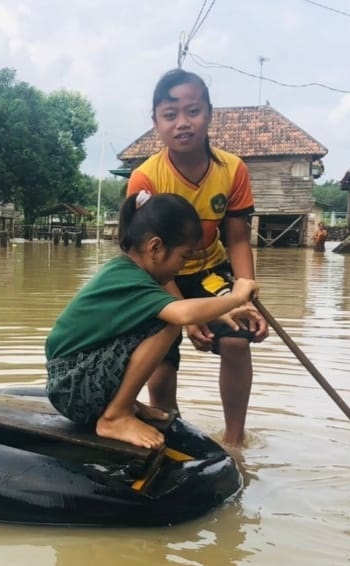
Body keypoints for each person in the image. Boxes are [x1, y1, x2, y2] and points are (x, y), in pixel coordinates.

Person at [45, 191, 258, 450]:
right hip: (73, 387)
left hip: (75, 378)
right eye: (183, 257)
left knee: (161, 318)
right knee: (166, 323)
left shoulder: (127, 271)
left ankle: (126, 405)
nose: (182, 268)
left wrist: (220, 311)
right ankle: (115, 416)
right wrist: (236, 297)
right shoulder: (132, 280)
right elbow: (181, 314)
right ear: (155, 248)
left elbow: (182, 308)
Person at [126, 68, 269, 446]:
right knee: (161, 352)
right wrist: (184, 318)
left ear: (209, 114)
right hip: (158, 277)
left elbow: (237, 239)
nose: (183, 123)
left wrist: (246, 293)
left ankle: (235, 442)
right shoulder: (146, 178)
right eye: (170, 115)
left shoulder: (232, 170)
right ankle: (168, 433)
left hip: (208, 270)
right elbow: (148, 258)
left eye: (193, 111)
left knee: (237, 337)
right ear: (156, 122)